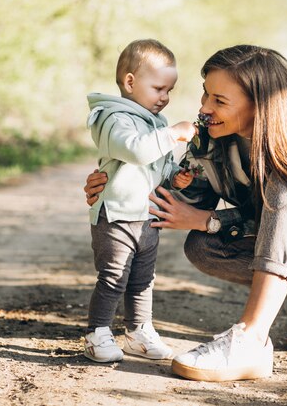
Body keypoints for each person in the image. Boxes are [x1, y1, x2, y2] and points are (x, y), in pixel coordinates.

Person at [83, 44, 287, 380]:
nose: (205, 108)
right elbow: (179, 196)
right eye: (205, 94)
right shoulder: (210, 134)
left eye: (219, 101)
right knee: (202, 247)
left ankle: (251, 338)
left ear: (260, 103)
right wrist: (114, 188)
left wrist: (213, 220)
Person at [83, 39, 197, 363]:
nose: (165, 97)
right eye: (159, 88)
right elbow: (135, 150)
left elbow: (156, 164)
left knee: (143, 279)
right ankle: (97, 332)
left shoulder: (155, 123)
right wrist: (173, 133)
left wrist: (176, 176)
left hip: (146, 216)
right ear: (130, 82)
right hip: (116, 216)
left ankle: (138, 332)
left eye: (169, 91)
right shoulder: (111, 118)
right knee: (113, 276)